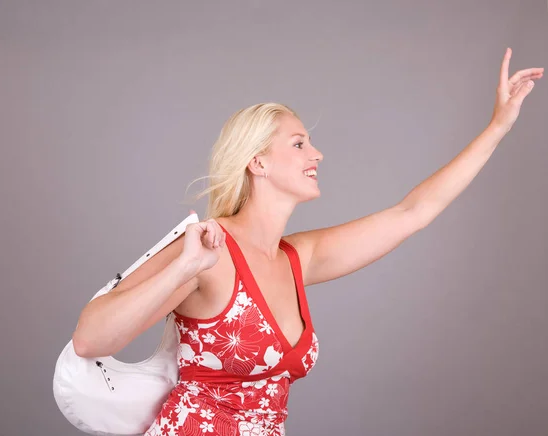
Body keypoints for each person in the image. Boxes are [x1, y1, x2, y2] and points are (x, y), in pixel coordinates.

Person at [71, 48, 542, 435]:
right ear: (258, 163)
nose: (316, 153)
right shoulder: (209, 251)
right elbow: (90, 338)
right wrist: (182, 267)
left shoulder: (298, 258)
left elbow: (412, 212)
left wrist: (499, 125)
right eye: (298, 144)